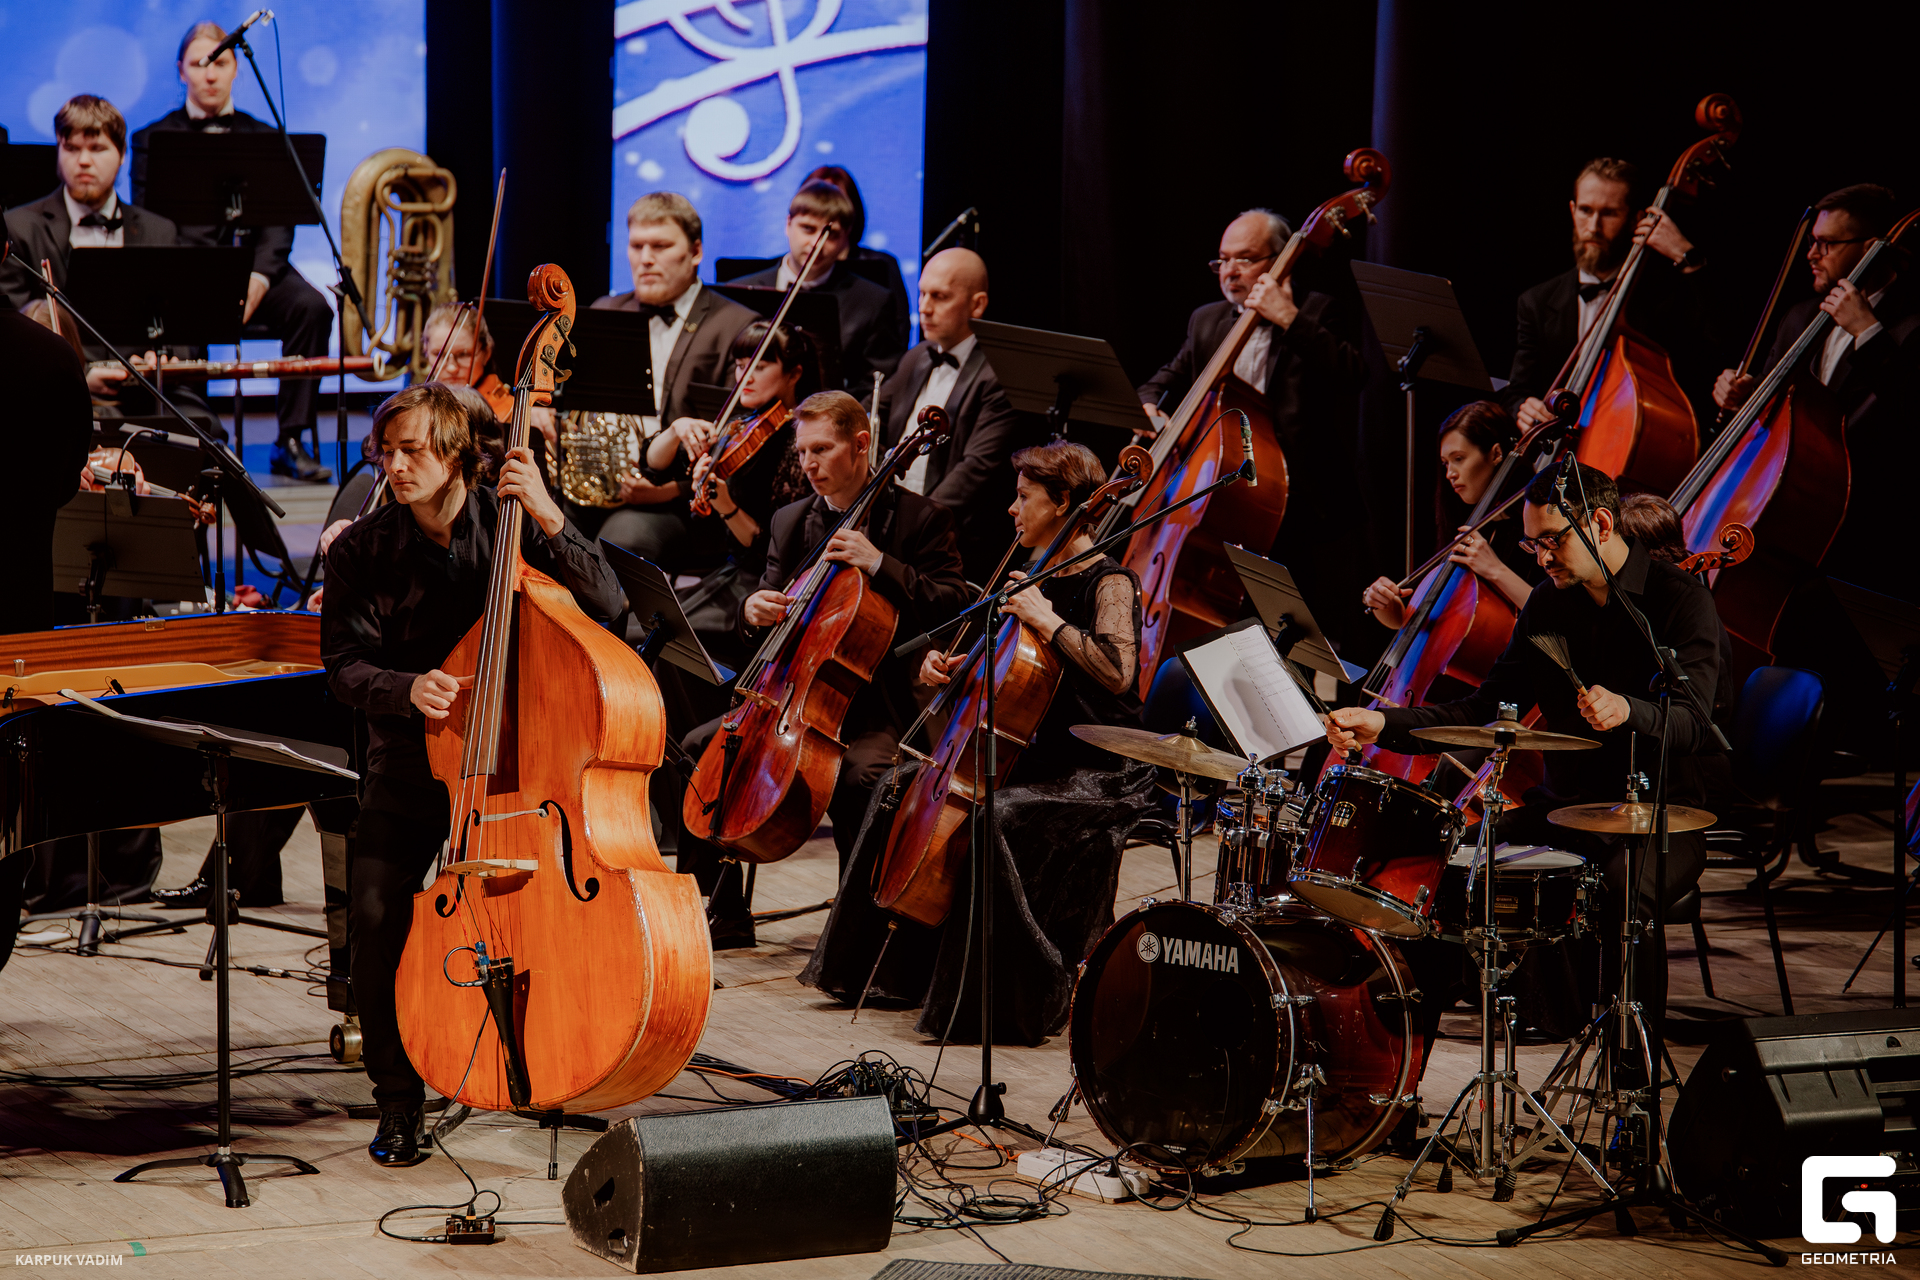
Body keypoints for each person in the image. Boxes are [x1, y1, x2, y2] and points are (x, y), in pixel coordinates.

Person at [322, 382, 625, 1167]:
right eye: (386, 452)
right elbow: (343, 666)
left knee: (545, 926)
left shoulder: (512, 522)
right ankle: (398, 1102)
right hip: (413, 762)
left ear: (458, 455)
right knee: (375, 922)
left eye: (413, 451)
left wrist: (550, 515)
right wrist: (405, 688)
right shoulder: (361, 550)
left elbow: (611, 605)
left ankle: (545, 1067)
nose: (395, 467)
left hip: (523, 772)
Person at [1325, 461, 1723, 1030]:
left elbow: (1696, 723)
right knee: (1442, 862)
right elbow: (1483, 710)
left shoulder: (1678, 599)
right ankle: (1408, 1043)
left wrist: (1629, 709)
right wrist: (1380, 723)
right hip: (1565, 811)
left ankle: (1634, 1062)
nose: (1541, 557)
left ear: (1600, 524)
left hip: (1663, 819)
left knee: (1622, 892)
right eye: (1532, 544)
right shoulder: (1547, 604)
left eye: (1552, 541)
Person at [801, 441, 1157, 1044]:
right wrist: (954, 666)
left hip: (1091, 768)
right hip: (1028, 753)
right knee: (895, 786)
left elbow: (1118, 673)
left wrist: (1046, 618)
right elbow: (1019, 676)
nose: (1012, 509)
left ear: (1063, 502)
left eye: (1024, 496)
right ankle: (880, 973)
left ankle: (991, 1003)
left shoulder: (1110, 580)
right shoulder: (1031, 576)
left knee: (997, 816)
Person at [676, 391, 967, 949]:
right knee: (696, 748)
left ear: (861, 445)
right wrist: (752, 611)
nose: (808, 464)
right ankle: (720, 911)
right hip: (794, 697)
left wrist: (880, 564)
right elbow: (767, 616)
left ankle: (853, 938)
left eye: (822, 449)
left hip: (880, 702)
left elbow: (954, 602)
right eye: (803, 452)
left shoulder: (921, 519)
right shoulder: (791, 521)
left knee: (862, 778)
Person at [1137, 208, 1366, 643]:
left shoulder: (1317, 310)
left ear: (1281, 260)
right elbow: (1159, 383)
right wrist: (1149, 407)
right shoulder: (1207, 320)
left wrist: (1289, 318)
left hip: (1299, 499)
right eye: (1223, 260)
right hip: (1225, 495)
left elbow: (1354, 374)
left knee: (1298, 636)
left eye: (1244, 258)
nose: (1230, 271)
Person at [130, 22, 337, 482]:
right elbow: (149, 219)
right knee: (174, 318)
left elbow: (280, 226)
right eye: (199, 64)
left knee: (313, 309)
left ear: (236, 68)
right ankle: (201, 439)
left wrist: (258, 279)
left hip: (255, 270)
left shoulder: (266, 135)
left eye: (220, 63)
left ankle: (290, 440)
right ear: (181, 71)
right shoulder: (151, 138)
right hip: (187, 270)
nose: (210, 74)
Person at [1711, 183, 1919, 596]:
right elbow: (1776, 421)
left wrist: (1867, 332)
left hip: (1864, 530)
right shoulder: (1800, 317)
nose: (1811, 254)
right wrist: (1745, 400)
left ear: (1870, 248)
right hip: (1781, 510)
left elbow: (1910, 409)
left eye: (1827, 244)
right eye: (1811, 242)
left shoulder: (1909, 327)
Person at [0, 95, 219, 436]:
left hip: (148, 387)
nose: (83, 161)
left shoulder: (159, 230)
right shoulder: (19, 227)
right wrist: (81, 373)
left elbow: (180, 322)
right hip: (61, 389)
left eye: (97, 148)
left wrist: (164, 358)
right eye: (71, 148)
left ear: (122, 155)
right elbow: (13, 327)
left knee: (207, 433)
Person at [584, 192, 757, 568]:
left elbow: (739, 441)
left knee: (619, 544)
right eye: (636, 246)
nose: (645, 258)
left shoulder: (736, 326)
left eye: (661, 246)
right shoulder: (606, 310)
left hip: (683, 503)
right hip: (600, 487)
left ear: (695, 252)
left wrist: (667, 491)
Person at [1506, 158, 1709, 431]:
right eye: (1585, 210)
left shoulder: (1666, 296)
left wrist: (1686, 256)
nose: (1593, 226)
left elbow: (1720, 340)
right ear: (1572, 210)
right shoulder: (1536, 302)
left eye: (1609, 213)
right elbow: (1517, 392)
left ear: (1636, 219)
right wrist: (1524, 408)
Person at [877, 247, 1023, 581]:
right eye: (922, 294)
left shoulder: (999, 374)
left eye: (940, 297)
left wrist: (913, 524)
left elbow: (975, 471)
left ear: (977, 304)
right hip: (896, 526)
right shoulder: (916, 357)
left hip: (954, 543)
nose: (924, 307)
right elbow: (872, 420)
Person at [1362, 401, 1541, 631]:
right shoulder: (1469, 524)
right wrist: (1385, 604)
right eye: (1446, 463)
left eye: (1459, 459)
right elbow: (1425, 628)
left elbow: (1557, 618)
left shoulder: (1538, 529)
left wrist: (1495, 570)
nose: (1449, 474)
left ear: (1496, 453)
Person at [733, 181, 905, 388]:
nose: (816, 243)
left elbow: (878, 384)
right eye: (808, 229)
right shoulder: (741, 292)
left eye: (831, 234)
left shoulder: (873, 302)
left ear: (846, 237)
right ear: (788, 224)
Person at [803, 164, 911, 352]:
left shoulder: (882, 265)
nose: (826, 209)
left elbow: (899, 333)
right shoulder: (792, 267)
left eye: (836, 200)